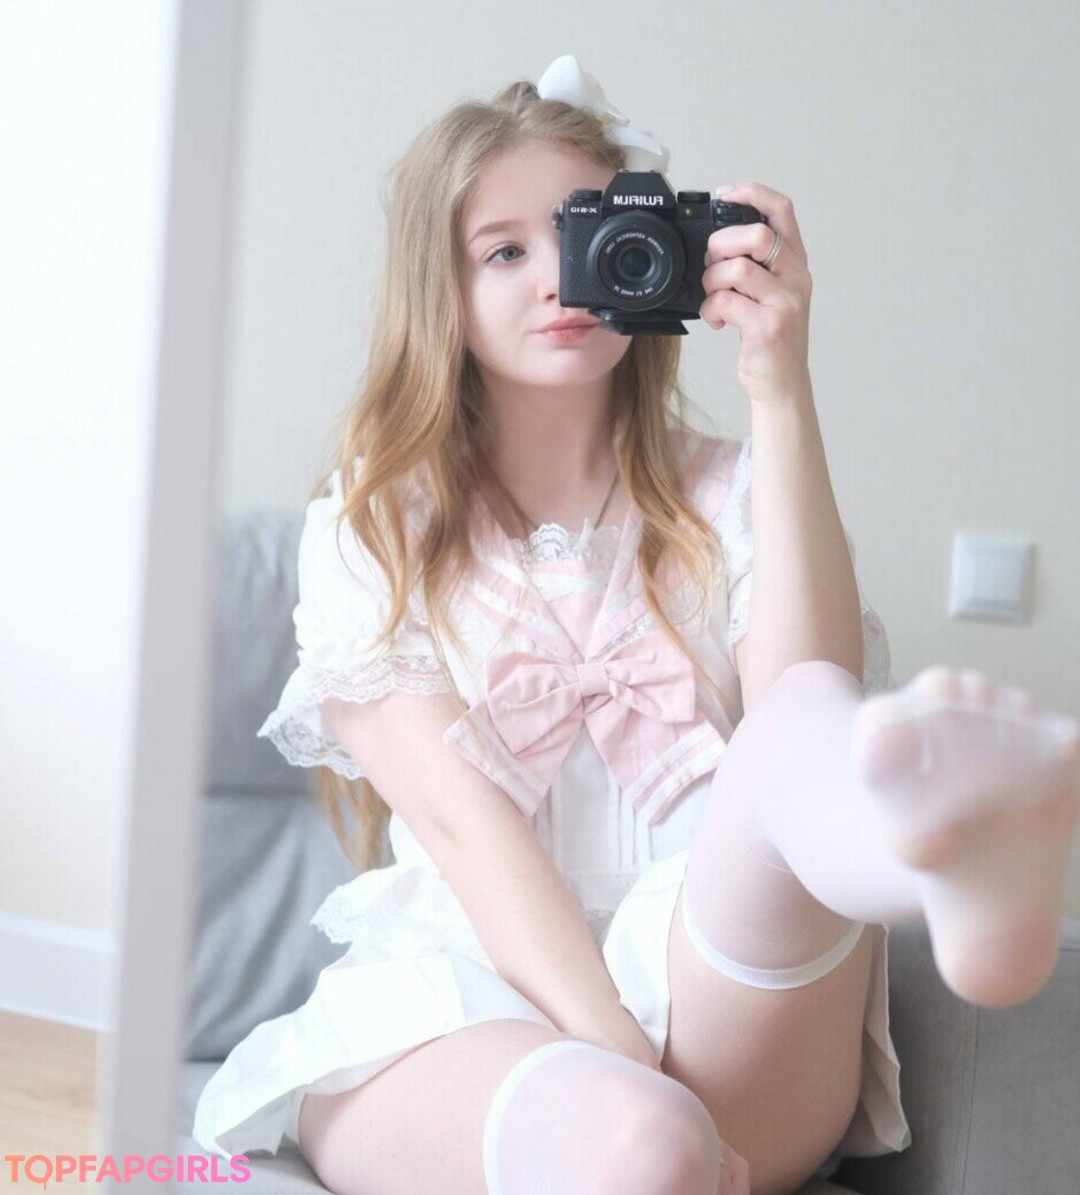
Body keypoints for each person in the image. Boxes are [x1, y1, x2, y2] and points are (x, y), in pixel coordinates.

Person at [192, 55, 1080, 1195]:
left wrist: (780, 381)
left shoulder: (730, 495)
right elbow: (464, 829)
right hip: (475, 995)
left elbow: (804, 708)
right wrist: (618, 1051)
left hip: (723, 974)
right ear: (439, 291)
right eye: (504, 251)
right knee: (641, 1142)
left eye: (584, 231)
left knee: (805, 710)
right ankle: (923, 842)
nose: (559, 277)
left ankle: (931, 843)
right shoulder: (372, 524)